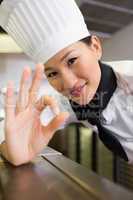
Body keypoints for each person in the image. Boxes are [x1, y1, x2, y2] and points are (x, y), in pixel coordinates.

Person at [0, 0, 133, 166]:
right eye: (53, 73)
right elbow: (9, 132)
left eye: (72, 61)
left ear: (95, 47)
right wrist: (13, 152)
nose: (69, 84)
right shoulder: (66, 103)